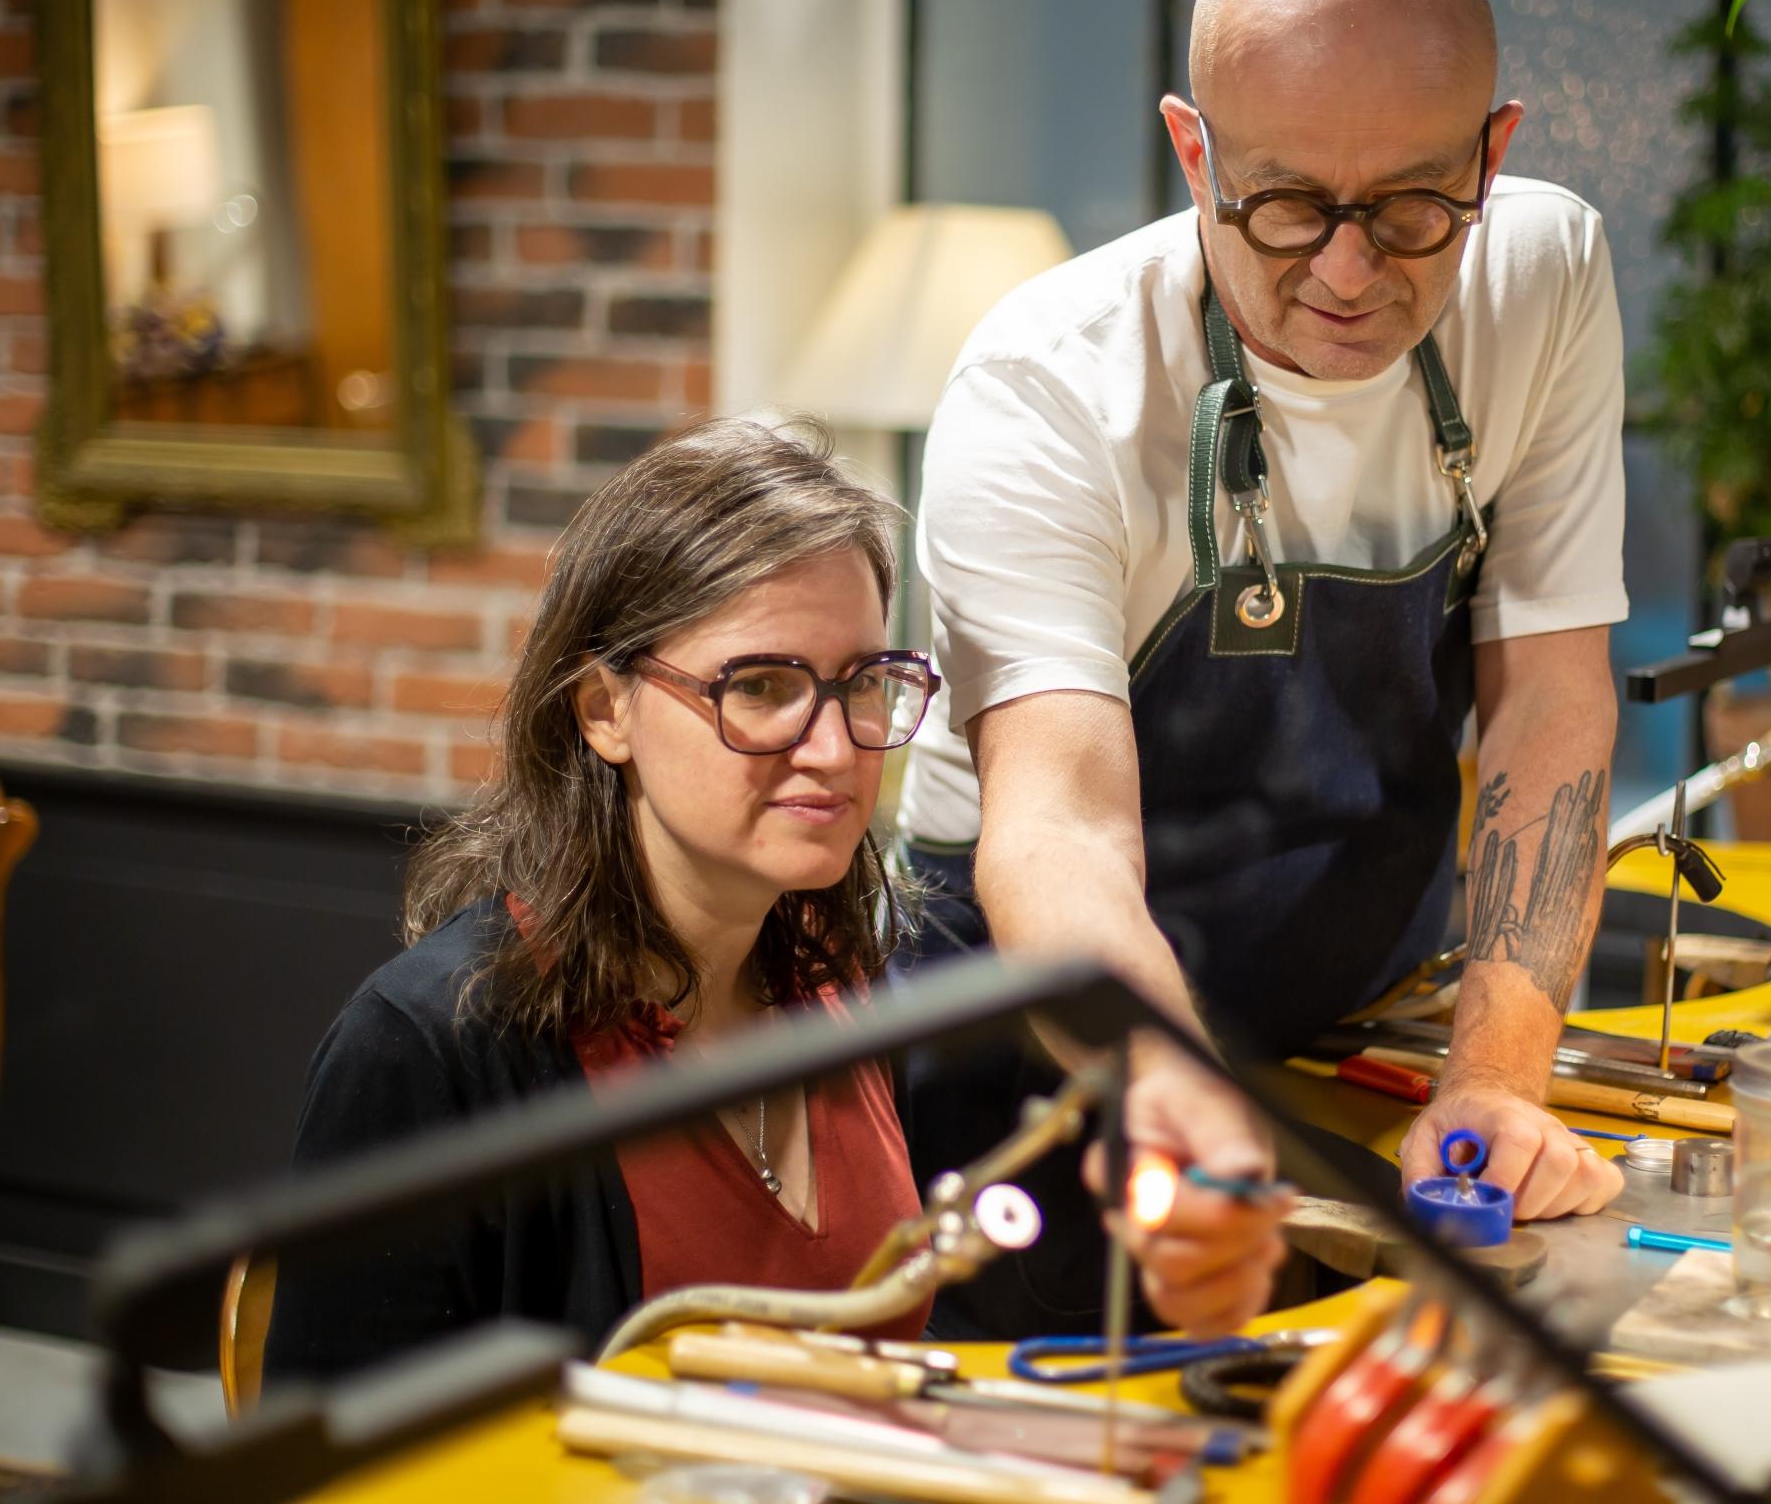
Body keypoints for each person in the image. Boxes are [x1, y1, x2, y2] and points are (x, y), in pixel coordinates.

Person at [900, 0, 1630, 1338]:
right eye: (1288, 207)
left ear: (1494, 150)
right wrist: (1172, 1082)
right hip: (1049, 1061)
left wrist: (1493, 1076)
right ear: (1195, 153)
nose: (1351, 274)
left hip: (1345, 1013)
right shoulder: (1051, 385)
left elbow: (1550, 696)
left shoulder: (1543, 277)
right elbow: (1059, 827)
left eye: (1417, 206)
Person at [266, 419, 1255, 1380]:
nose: (832, 747)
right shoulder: (425, 1045)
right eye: (761, 685)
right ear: (606, 709)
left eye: (864, 682)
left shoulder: (845, 982)